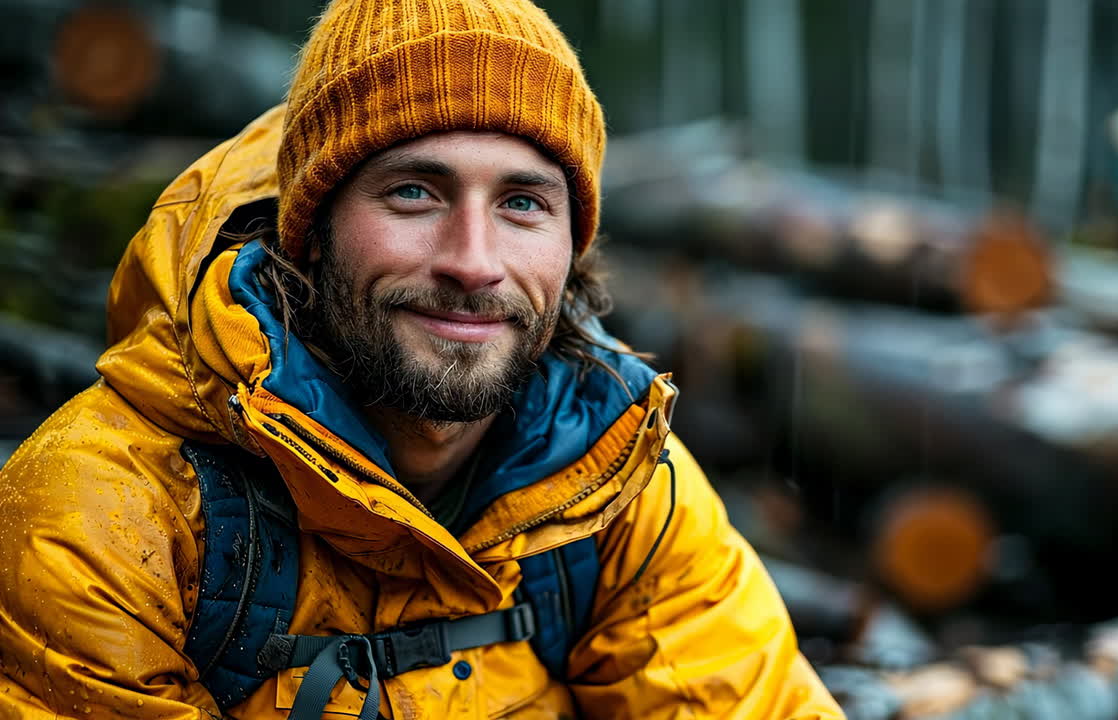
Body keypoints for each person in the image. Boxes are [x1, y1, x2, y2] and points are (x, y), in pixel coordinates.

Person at [0, 1, 843, 717]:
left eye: (522, 202)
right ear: (312, 232)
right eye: (414, 191)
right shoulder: (101, 516)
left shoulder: (616, 487)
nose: (473, 261)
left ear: (573, 247)